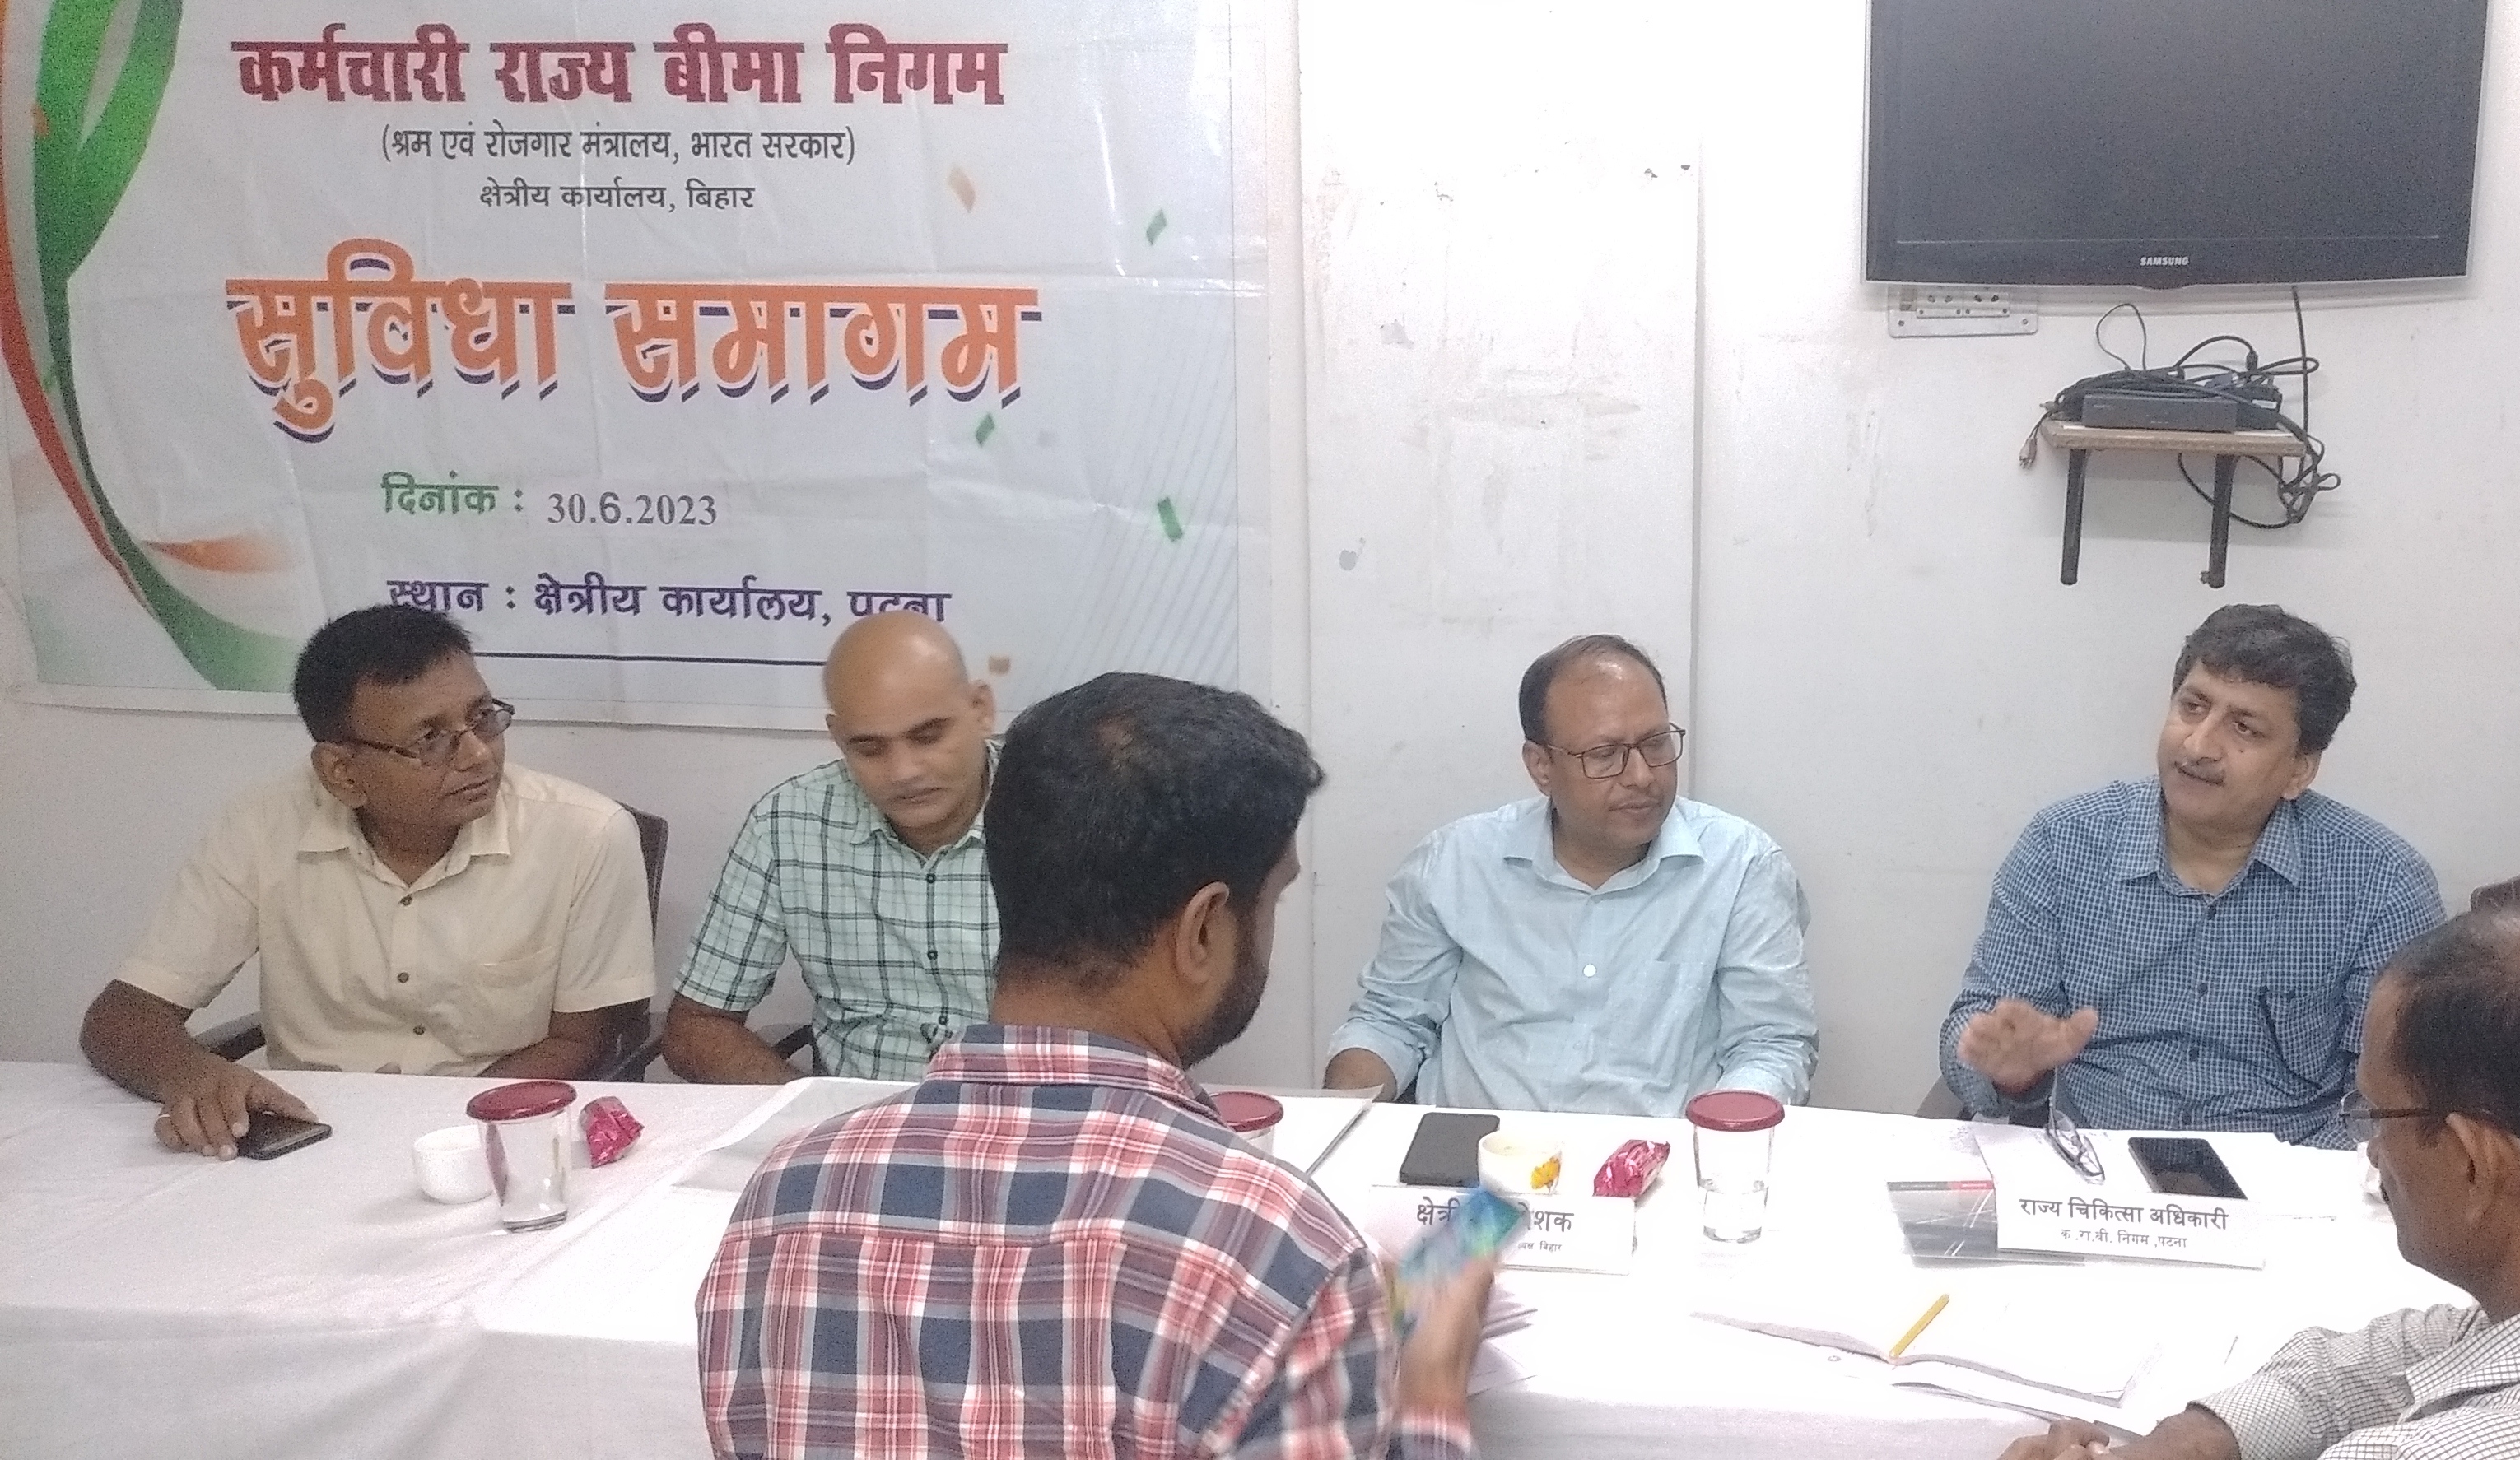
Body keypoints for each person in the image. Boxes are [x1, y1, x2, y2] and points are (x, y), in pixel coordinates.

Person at [697, 672, 1494, 1460]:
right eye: (1273, 900)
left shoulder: (784, 1202)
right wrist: (1430, 1385)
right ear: (1203, 930)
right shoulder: (1275, 1251)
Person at [1999, 904, 2520, 1460]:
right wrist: (2209, 1435)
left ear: (2469, 1161)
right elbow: (2400, 1356)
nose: (2371, 1155)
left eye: (2375, 1116)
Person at [77, 604, 654, 1157]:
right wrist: (193, 1075)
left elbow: (579, 1041)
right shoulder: (261, 827)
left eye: (482, 717)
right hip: (310, 1135)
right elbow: (121, 1016)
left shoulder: (585, 834)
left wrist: (430, 1128)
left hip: (485, 1129)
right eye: (430, 739)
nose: (478, 755)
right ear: (341, 772)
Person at [1940, 605, 2443, 1143]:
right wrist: (2010, 1069)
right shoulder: (2062, 844)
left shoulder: (2383, 883)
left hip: (2290, 1174)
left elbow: (2396, 1101)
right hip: (2096, 1166)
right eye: (2192, 707)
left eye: (2244, 728)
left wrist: (2289, 1181)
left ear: (2300, 768)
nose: (2198, 745)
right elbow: (1972, 1030)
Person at [1323, 634, 1815, 1114]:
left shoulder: (1742, 865)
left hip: (1659, 1157)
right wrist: (1338, 1123)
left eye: (1656, 744)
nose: (1641, 776)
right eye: (1604, 755)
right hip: (1473, 1154)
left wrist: (1720, 1141)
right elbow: (1391, 1021)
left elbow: (1770, 1044)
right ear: (1541, 766)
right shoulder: (1454, 864)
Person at [664, 611, 999, 1081]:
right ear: (838, 738)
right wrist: (813, 1111)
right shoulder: (788, 822)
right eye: (869, 748)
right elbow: (696, 1026)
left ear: (981, 709)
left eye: (928, 737)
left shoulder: (1067, 813)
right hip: (851, 1112)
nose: (903, 771)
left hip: (1022, 1109)